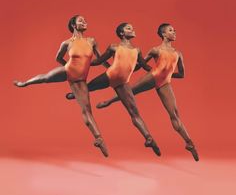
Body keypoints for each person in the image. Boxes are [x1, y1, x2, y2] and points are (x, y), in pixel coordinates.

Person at [95, 23, 199, 161]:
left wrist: (167, 74)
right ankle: (109, 101)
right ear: (163, 34)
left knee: (174, 114)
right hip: (152, 76)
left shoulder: (178, 53)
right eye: (170, 30)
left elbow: (181, 75)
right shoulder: (155, 50)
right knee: (131, 91)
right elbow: (140, 64)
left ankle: (189, 143)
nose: (174, 32)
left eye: (174, 30)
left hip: (164, 82)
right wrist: (120, 68)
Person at [14, 15, 109, 157]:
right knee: (46, 77)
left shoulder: (91, 41)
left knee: (87, 110)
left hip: (80, 80)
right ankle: (25, 83)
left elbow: (100, 59)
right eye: (81, 20)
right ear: (74, 25)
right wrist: (68, 66)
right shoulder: (67, 43)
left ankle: (99, 139)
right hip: (68, 70)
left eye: (85, 20)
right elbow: (58, 58)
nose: (84, 22)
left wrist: (110, 67)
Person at [66, 23, 161, 156]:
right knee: (88, 88)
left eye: (132, 28)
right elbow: (100, 61)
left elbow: (143, 66)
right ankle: (74, 94)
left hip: (122, 81)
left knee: (134, 113)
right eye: (129, 28)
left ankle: (148, 138)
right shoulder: (114, 47)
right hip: (111, 75)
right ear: (122, 33)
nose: (132, 29)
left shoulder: (137, 51)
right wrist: (83, 61)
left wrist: (158, 70)